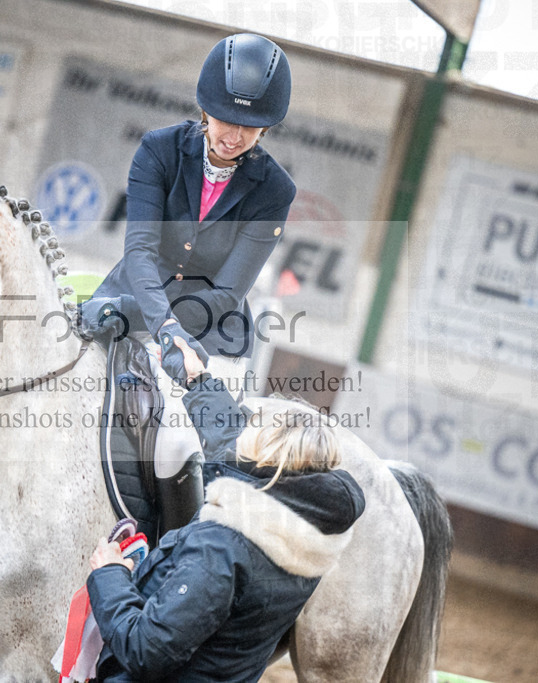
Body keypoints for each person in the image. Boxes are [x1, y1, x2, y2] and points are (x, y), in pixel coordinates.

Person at [83, 32, 298, 521]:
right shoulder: (158, 150)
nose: (234, 134)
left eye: (251, 125)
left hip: (211, 336)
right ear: (205, 108)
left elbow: (227, 292)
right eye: (226, 118)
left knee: (181, 442)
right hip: (133, 302)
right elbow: (138, 251)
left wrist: (174, 334)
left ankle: (171, 546)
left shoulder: (275, 190)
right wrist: (163, 327)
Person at [84, 338, 366, 681]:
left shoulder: (221, 547)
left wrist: (110, 575)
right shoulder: (306, 527)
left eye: (255, 427)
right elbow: (231, 440)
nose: (245, 428)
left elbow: (146, 651)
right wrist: (197, 380)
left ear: (265, 457)